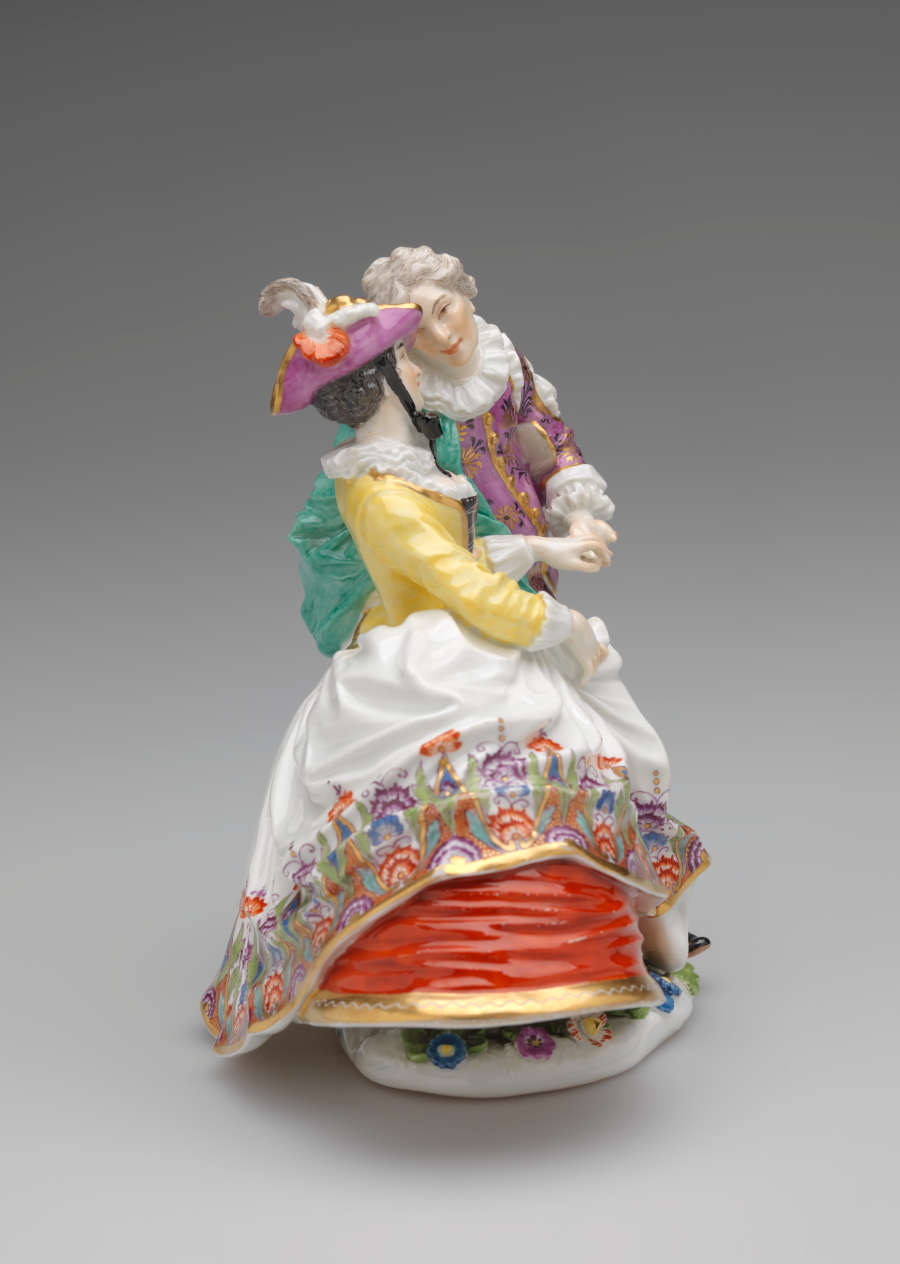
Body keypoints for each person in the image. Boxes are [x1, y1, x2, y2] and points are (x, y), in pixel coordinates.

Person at [202, 280, 709, 1063]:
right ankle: (480, 975)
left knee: (596, 729)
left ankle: (640, 927)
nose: (421, 362)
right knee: (581, 733)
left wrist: (540, 548)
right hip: (431, 654)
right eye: (405, 357)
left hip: (455, 631)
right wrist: (560, 623)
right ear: (389, 382)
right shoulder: (377, 489)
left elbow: (463, 554)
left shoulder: (411, 465)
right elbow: (456, 582)